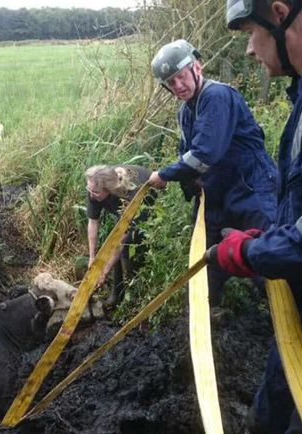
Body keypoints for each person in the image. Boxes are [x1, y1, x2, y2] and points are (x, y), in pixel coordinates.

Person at [211, 1, 302, 432]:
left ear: (280, 12)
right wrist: (274, 239)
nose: (251, 50)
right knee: (267, 416)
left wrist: (253, 253)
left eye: (252, 32)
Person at [147, 39, 278, 306]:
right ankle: (210, 316)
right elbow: (188, 156)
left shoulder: (216, 96)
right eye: (170, 83)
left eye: (181, 77)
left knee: (268, 256)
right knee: (206, 258)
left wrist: (163, 174)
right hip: (216, 193)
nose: (178, 86)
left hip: (251, 186)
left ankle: (285, 323)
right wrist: (189, 183)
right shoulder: (185, 112)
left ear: (197, 67)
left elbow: (205, 154)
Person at [85, 164, 153, 308]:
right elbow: (93, 223)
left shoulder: (130, 194)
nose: (91, 195)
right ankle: (117, 292)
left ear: (108, 190)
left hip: (146, 204)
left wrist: (104, 270)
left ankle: (134, 296)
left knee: (129, 249)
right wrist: (92, 257)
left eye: (95, 192)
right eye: (89, 190)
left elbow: (121, 240)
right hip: (122, 210)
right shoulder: (94, 187)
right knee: (112, 241)